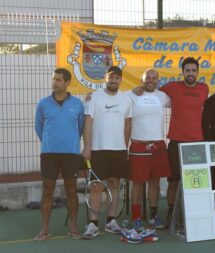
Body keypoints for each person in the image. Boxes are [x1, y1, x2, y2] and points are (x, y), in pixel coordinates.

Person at [133, 57, 209, 226]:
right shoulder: (172, 87)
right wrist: (138, 88)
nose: (190, 73)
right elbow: (151, 90)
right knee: (173, 181)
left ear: (197, 72)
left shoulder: (205, 89)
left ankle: (194, 214)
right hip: (175, 142)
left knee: (195, 182)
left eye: (193, 71)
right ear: (182, 72)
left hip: (197, 143)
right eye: (187, 70)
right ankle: (171, 212)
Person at [81, 66, 132, 239]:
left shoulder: (126, 99)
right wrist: (87, 146)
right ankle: (93, 224)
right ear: (105, 78)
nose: (114, 80)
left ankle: (111, 221)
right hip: (98, 150)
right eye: (111, 77)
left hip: (118, 150)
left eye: (117, 78)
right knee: (96, 187)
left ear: (121, 80)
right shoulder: (94, 97)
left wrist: (124, 146)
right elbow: (87, 122)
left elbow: (127, 124)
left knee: (115, 184)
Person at [34, 68, 84, 241]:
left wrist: (69, 142)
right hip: (49, 154)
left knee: (71, 190)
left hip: (71, 154)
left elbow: (80, 127)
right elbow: (39, 127)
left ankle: (73, 227)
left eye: (59, 80)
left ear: (68, 82)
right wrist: (50, 142)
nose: (55, 82)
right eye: (53, 79)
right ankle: (45, 229)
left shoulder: (77, 104)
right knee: (47, 190)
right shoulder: (43, 103)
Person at [127, 68, 171, 230]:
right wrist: (92, 96)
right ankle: (136, 217)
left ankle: (153, 216)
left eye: (154, 78)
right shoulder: (131, 95)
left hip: (158, 146)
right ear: (142, 79)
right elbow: (114, 97)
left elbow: (182, 100)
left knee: (155, 182)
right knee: (138, 183)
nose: (151, 81)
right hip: (139, 146)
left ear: (158, 80)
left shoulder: (163, 96)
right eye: (148, 78)